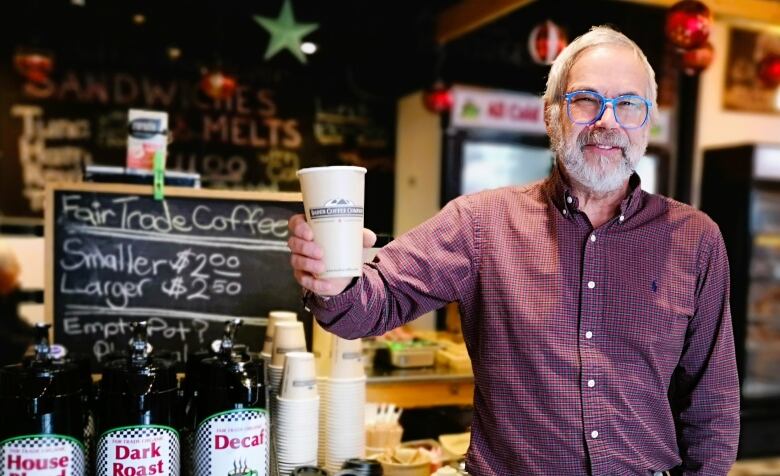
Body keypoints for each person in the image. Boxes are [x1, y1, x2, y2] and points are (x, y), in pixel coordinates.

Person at [288, 26, 739, 475]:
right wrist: (337, 281)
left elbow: (712, 407)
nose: (608, 121)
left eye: (627, 104)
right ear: (550, 115)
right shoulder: (481, 223)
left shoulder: (695, 239)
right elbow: (370, 305)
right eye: (585, 100)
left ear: (648, 119)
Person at [0, 240, 34, 366]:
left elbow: (14, 321)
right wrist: (28, 343)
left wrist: (37, 333)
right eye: (9, 276)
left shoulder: (10, 290)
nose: (16, 276)